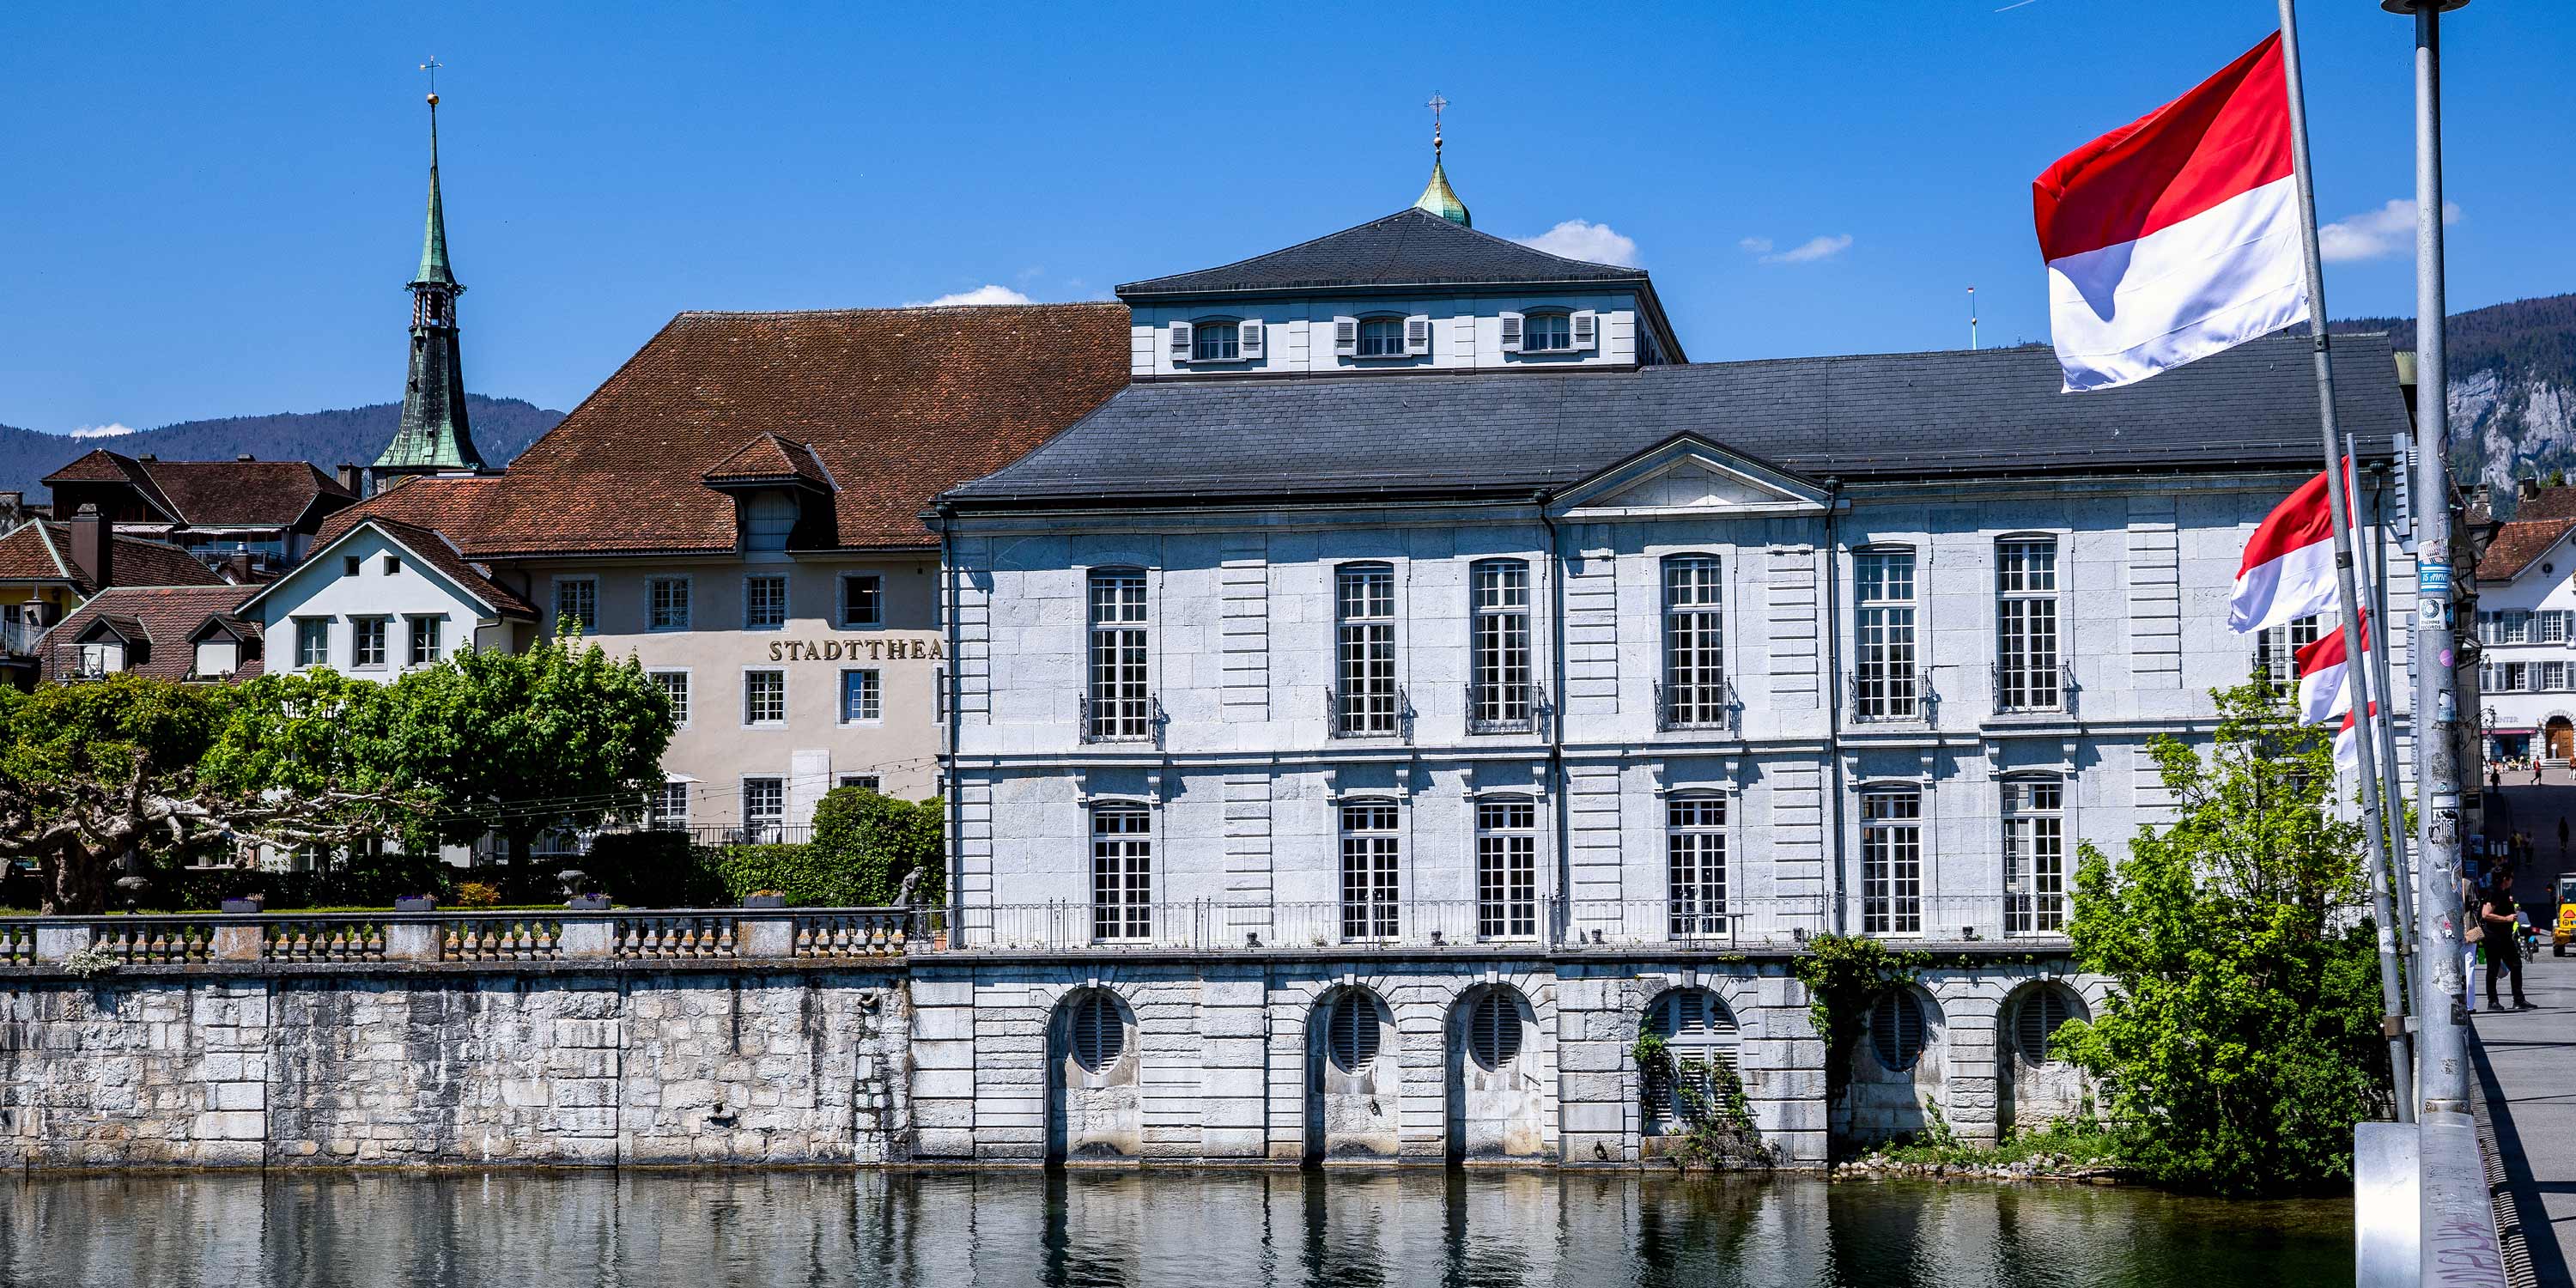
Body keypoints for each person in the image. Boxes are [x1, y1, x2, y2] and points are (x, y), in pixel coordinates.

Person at [2484, 870, 2534, 1012]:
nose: (2513, 880)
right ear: (2505, 878)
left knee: (2516, 965)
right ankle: (2492, 1001)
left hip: (2504, 936)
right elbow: (2486, 914)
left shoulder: (2504, 892)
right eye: (2511, 877)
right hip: (2494, 936)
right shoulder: (2495, 892)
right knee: (2493, 968)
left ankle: (2519, 999)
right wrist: (2506, 919)